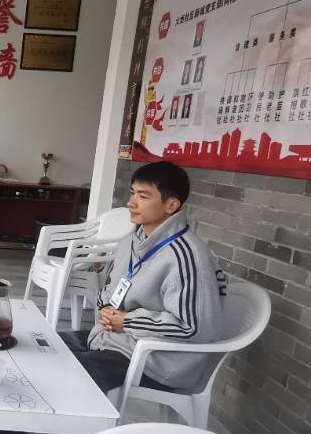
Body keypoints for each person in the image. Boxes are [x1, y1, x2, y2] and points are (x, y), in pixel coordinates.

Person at [59, 160, 227, 395]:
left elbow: (194, 326)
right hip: (115, 340)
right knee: (45, 348)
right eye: (132, 193)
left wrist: (127, 321)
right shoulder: (131, 241)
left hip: (156, 361)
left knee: (69, 376)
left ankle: (75, 420)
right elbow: (111, 287)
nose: (131, 202)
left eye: (143, 196)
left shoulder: (186, 257)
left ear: (171, 205)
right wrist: (106, 309)